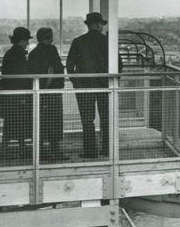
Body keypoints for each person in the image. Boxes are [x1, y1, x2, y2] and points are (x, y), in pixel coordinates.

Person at [67, 12, 116, 158]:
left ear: (89, 25)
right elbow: (118, 64)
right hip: (106, 85)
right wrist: (112, 80)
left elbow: (70, 65)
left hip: (84, 86)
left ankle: (90, 151)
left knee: (87, 119)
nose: (102, 26)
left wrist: (76, 82)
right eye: (101, 24)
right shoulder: (107, 41)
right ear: (97, 24)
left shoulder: (78, 41)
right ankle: (107, 149)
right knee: (106, 118)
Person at [27, 27, 66, 161]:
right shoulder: (51, 50)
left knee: (40, 122)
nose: (52, 39)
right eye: (51, 37)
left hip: (39, 92)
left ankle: (40, 151)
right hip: (53, 92)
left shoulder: (33, 53)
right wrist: (60, 85)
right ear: (47, 38)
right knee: (55, 122)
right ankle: (56, 151)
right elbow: (59, 68)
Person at [0, 26, 32, 158]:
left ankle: (5, 150)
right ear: (21, 40)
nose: (27, 43)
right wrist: (23, 95)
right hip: (18, 95)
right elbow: (21, 77)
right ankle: (19, 149)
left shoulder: (10, 53)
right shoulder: (20, 54)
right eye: (26, 40)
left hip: (10, 95)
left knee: (10, 123)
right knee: (20, 122)